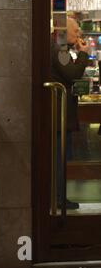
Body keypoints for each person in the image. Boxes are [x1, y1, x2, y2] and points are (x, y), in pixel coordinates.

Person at [51, 17, 91, 210]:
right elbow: (72, 75)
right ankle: (59, 197)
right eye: (76, 31)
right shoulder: (59, 49)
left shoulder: (61, 48)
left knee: (60, 156)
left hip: (60, 111)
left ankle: (59, 196)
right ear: (65, 32)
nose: (79, 35)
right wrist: (84, 55)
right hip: (59, 112)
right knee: (59, 157)